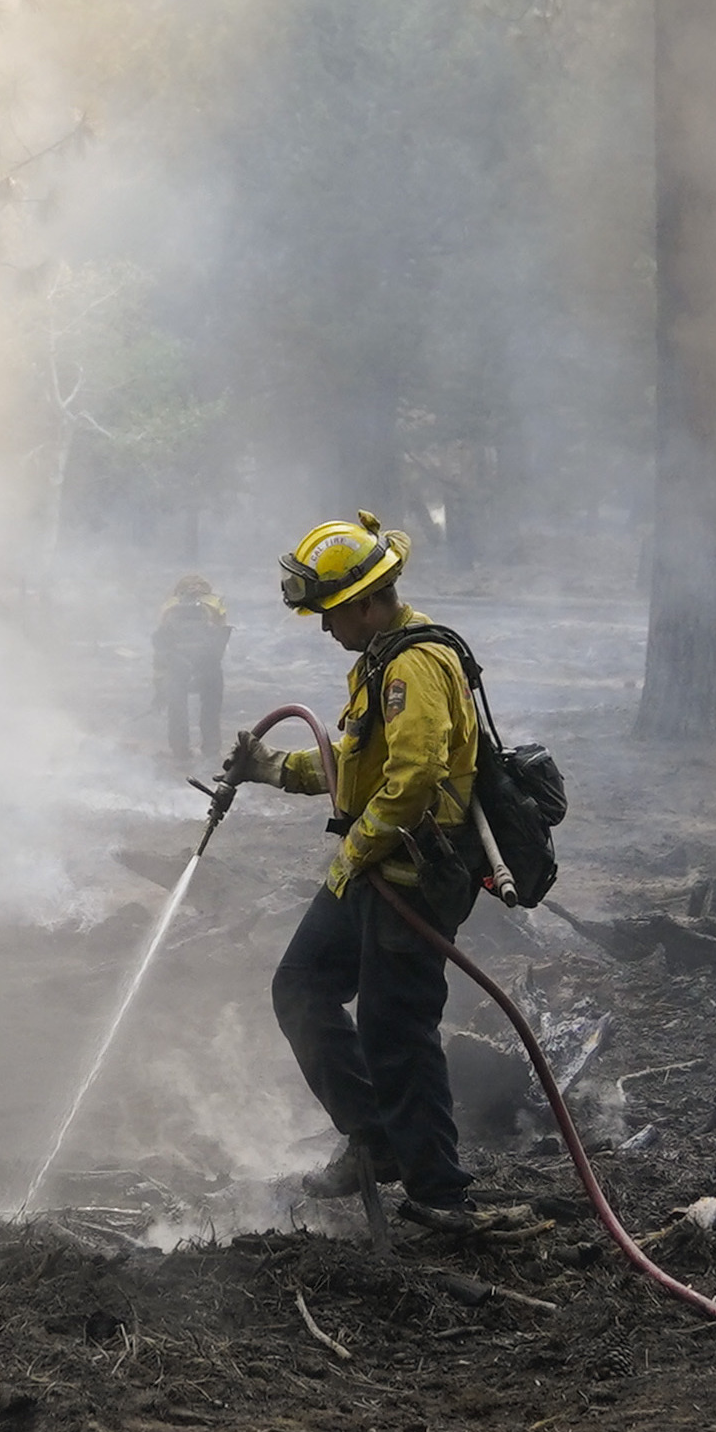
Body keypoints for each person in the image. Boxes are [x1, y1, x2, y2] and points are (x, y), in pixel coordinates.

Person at [230, 512, 496, 1231]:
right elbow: (359, 765)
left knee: (396, 1029)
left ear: (367, 599)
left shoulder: (413, 664)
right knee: (301, 987)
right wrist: (270, 770)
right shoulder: (379, 658)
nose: (324, 628)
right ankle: (373, 1139)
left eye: (330, 613)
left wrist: (352, 853)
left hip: (409, 875)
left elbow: (413, 778)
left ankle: (440, 1195)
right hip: (376, 867)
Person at [151, 572, 234, 770]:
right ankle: (211, 751)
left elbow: (161, 650)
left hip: (176, 665)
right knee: (211, 708)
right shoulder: (215, 603)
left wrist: (159, 689)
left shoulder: (168, 607)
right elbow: (221, 638)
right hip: (209, 664)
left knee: (176, 707)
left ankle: (180, 751)